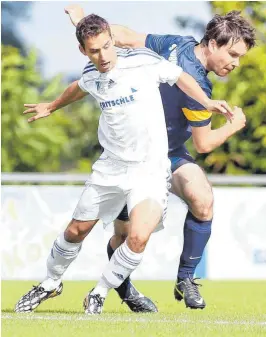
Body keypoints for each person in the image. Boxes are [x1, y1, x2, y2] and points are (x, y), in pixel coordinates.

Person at [14, 13, 233, 315]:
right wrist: (51, 106)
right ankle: (51, 283)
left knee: (138, 237)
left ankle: (100, 292)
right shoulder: (92, 73)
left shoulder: (143, 62)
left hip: (150, 170)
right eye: (94, 50)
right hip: (111, 168)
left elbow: (180, 77)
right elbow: (79, 87)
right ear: (84, 51)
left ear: (112, 41)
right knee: (76, 232)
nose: (103, 56)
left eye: (107, 46)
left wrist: (207, 103)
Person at [65, 6, 255, 310]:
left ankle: (186, 279)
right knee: (125, 236)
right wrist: (234, 126)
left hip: (170, 154)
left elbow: (126, 37)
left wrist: (83, 22)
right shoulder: (185, 64)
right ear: (214, 43)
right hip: (133, 156)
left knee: (202, 199)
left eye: (240, 58)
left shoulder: (181, 53)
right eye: (233, 54)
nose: (236, 63)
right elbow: (204, 144)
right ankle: (126, 291)